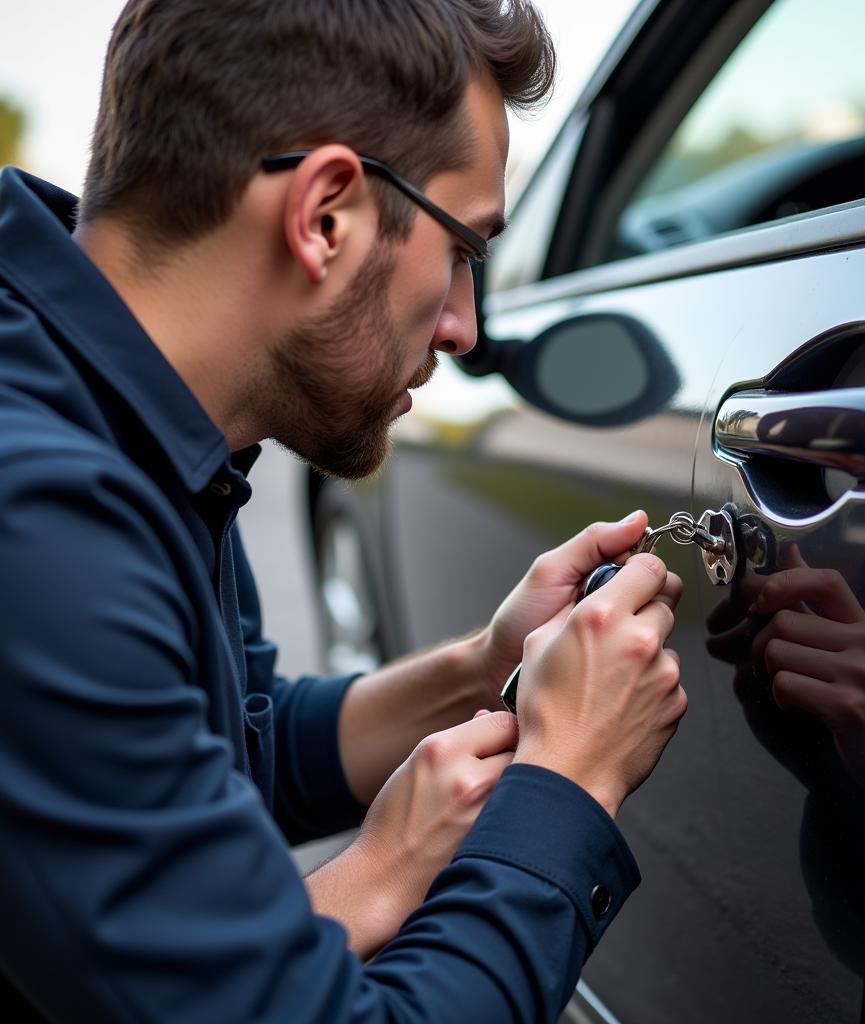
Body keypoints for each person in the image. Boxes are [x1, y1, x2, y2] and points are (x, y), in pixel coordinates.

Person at [0, 2, 687, 1021]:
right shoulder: (47, 528)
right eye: (464, 250)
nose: (461, 326)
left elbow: (232, 744)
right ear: (326, 214)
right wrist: (569, 778)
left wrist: (481, 667)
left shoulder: (114, 403)